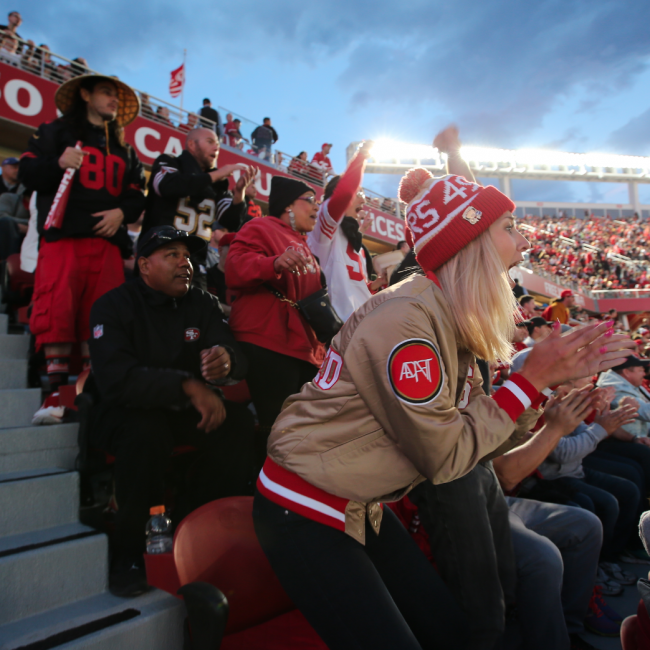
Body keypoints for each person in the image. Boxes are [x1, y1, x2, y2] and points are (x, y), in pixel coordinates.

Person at [251, 128, 634, 649]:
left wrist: (541, 391)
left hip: (358, 500)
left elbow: (482, 438)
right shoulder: (407, 321)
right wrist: (530, 380)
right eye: (509, 227)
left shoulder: (449, 312)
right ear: (472, 242)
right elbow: (446, 457)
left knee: (449, 631)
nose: (524, 241)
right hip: (305, 505)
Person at [88, 225, 255, 596]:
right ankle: (128, 552)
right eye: (172, 255)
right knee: (145, 432)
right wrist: (187, 384)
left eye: (188, 255)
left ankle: (197, 527)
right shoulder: (113, 305)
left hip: (179, 410)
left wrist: (227, 361)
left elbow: (235, 354)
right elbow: (117, 382)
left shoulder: (201, 303)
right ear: (144, 265)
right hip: (121, 411)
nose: (186, 263)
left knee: (240, 424)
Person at [20, 74, 145, 424]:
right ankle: (56, 397)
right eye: (106, 92)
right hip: (63, 240)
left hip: (106, 246)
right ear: (85, 94)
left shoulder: (125, 149)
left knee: (101, 323)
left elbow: (136, 196)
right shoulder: (53, 132)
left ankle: (89, 396)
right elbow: (26, 170)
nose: (113, 101)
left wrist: (122, 212)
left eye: (116, 96)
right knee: (57, 313)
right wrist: (57, 163)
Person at [225, 176, 326, 464]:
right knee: (278, 427)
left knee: (302, 429)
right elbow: (233, 268)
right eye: (310, 200)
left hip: (303, 345)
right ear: (288, 206)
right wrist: (273, 263)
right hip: (267, 338)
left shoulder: (305, 244)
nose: (316, 207)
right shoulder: (260, 226)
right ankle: (268, 494)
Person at [142, 127, 256, 289]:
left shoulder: (219, 184)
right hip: (160, 257)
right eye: (210, 142)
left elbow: (231, 222)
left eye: (217, 144)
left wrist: (239, 194)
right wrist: (214, 176)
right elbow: (166, 186)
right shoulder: (169, 162)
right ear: (192, 145)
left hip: (195, 265)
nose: (216, 148)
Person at [307, 141, 373, 322]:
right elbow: (344, 193)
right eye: (358, 193)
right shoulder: (324, 229)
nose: (363, 200)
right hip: (340, 329)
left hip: (365, 324)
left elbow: (355, 286)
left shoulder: (355, 243)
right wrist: (361, 157)